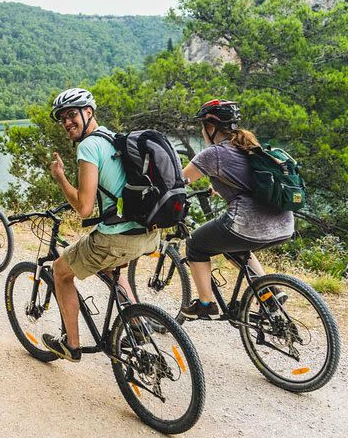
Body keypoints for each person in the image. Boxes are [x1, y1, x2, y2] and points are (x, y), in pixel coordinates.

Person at [42, 88, 161, 362]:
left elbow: (84, 208)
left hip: (116, 238)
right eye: (62, 118)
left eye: (72, 114)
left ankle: (71, 346)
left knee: (60, 271)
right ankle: (136, 323)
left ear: (89, 112)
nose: (67, 122)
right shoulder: (112, 137)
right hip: (147, 234)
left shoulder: (88, 146)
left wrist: (60, 178)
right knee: (110, 266)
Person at [180, 99, 294, 320]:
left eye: (202, 127)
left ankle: (206, 304)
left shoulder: (213, 153)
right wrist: (218, 187)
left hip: (249, 224)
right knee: (235, 246)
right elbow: (249, 180)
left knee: (195, 244)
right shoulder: (250, 146)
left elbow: (178, 181)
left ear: (210, 127)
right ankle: (269, 294)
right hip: (284, 224)